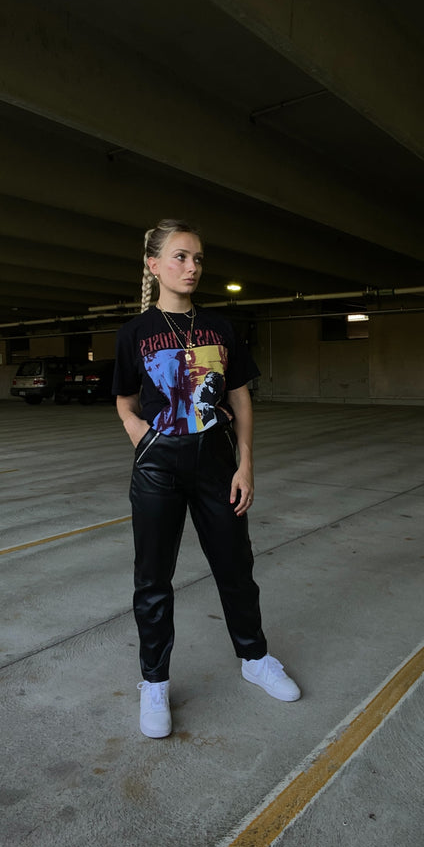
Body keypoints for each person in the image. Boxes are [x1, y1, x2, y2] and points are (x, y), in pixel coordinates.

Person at [113, 218, 300, 739]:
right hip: (158, 466)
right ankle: (154, 682)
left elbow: (240, 398)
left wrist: (246, 463)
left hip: (217, 462)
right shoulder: (135, 333)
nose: (191, 267)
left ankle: (255, 659)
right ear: (154, 265)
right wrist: (143, 438)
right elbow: (125, 401)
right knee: (153, 579)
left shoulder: (220, 327)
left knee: (236, 566)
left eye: (197, 258)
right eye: (180, 257)